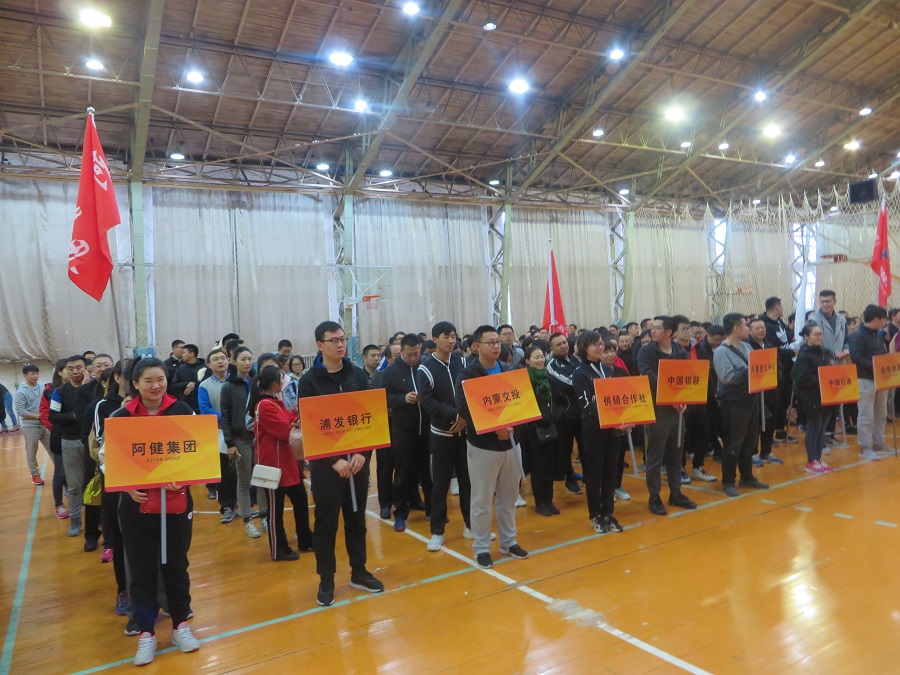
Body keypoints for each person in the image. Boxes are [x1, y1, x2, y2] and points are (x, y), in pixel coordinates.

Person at [109, 358, 199, 666]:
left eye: (160, 379)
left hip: (176, 504)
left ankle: (180, 625)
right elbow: (108, 460)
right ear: (135, 383)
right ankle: (147, 632)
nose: (156, 385)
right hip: (136, 508)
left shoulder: (182, 411)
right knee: (142, 571)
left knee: (176, 565)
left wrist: (183, 479)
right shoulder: (121, 416)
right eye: (148, 380)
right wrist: (126, 486)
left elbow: (197, 453)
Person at [297, 321, 383, 607]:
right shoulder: (310, 381)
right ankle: (326, 579)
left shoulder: (357, 375)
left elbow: (370, 418)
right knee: (326, 524)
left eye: (342, 339)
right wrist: (332, 460)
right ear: (319, 345)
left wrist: (363, 453)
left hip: (357, 463)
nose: (340, 344)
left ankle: (359, 571)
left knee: (357, 519)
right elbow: (310, 425)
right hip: (327, 468)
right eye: (333, 340)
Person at [456, 324, 530, 569]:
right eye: (491, 342)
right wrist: (494, 428)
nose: (496, 346)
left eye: (498, 342)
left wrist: (512, 426)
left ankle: (508, 541)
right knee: (482, 499)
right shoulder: (468, 374)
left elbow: (522, 402)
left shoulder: (509, 370)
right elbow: (465, 409)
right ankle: (481, 547)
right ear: (477, 346)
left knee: (509, 498)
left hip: (511, 442)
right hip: (483, 446)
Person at [417, 321, 476, 552]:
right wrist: (455, 415)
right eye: (446, 337)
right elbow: (428, 401)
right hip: (441, 434)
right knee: (440, 484)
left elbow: (471, 391)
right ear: (435, 339)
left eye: (453, 336)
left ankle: (470, 526)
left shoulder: (462, 362)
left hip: (464, 432)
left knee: (468, 481)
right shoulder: (425, 368)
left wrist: (465, 418)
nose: (451, 341)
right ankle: (437, 531)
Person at [251, 365, 312, 561]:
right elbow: (285, 430)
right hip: (272, 466)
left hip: (287, 462)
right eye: (282, 378)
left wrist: (296, 416)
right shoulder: (264, 405)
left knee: (300, 500)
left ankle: (305, 539)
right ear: (275, 384)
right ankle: (279, 549)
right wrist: (295, 423)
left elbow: (290, 420)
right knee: (275, 510)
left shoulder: (276, 403)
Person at [637, 316, 696, 515]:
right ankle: (654, 497)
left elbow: (686, 377)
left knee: (676, 455)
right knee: (655, 457)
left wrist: (684, 398)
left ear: (669, 332)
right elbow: (648, 376)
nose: (652, 331)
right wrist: (670, 397)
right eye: (652, 327)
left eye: (657, 328)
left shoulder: (680, 352)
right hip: (657, 409)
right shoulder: (647, 351)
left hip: (677, 410)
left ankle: (675, 493)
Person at [573, 334, 627, 533]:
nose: (600, 347)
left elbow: (616, 399)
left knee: (610, 472)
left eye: (601, 343)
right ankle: (595, 515)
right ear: (584, 348)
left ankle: (608, 513)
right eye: (595, 344)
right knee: (594, 474)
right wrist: (610, 421)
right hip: (594, 429)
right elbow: (586, 405)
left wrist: (622, 420)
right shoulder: (580, 373)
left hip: (613, 430)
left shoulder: (607, 370)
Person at [713, 313, 770, 497]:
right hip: (734, 403)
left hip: (751, 400)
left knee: (750, 442)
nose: (748, 328)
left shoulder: (747, 347)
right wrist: (749, 371)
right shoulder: (721, 352)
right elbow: (727, 377)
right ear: (736, 328)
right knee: (733, 443)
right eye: (746, 325)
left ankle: (747, 477)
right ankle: (728, 481)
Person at [383, 333, 432, 532]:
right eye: (409, 354)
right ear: (401, 351)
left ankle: (431, 509)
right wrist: (403, 399)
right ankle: (400, 514)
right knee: (402, 473)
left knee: (427, 473)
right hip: (403, 430)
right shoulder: (391, 372)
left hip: (426, 429)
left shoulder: (425, 367)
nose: (413, 358)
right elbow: (383, 398)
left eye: (416, 354)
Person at [221, 346, 263, 537]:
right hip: (240, 438)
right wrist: (229, 443)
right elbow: (225, 416)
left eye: (249, 359)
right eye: (243, 359)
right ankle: (248, 520)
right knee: (244, 479)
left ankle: (264, 516)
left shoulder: (258, 383)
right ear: (234, 361)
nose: (247, 363)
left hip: (259, 437)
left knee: (262, 478)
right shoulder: (228, 387)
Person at [520, 344, 565, 517]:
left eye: (542, 357)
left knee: (550, 466)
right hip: (532, 432)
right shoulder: (525, 382)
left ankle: (549, 500)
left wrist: (556, 416)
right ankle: (540, 503)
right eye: (536, 357)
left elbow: (562, 402)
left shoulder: (550, 379)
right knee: (538, 468)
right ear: (527, 360)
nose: (540, 360)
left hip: (551, 430)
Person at [49, 355, 88, 536]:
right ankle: (75, 521)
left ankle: (100, 522)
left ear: (86, 368)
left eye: (78, 367)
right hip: (70, 441)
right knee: (74, 485)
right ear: (65, 371)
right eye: (70, 369)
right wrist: (74, 415)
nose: (75, 372)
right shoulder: (60, 391)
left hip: (93, 441)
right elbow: (53, 416)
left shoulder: (95, 388)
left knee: (97, 484)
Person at [198, 349, 236, 525]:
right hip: (219, 433)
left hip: (239, 431)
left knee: (242, 470)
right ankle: (227, 506)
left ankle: (246, 505)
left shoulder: (238, 381)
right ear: (208, 365)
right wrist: (227, 418)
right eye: (215, 359)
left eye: (223, 358)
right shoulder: (204, 386)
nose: (220, 361)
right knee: (224, 472)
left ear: (228, 361)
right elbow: (205, 409)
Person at [848, 304, 889, 462]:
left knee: (881, 413)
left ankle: (879, 442)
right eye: (884, 320)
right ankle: (864, 447)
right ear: (877, 319)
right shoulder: (856, 336)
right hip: (864, 379)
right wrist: (876, 366)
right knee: (866, 414)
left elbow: (882, 353)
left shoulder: (877, 334)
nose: (885, 323)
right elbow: (856, 358)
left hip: (881, 379)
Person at [792, 325, 835, 474]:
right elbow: (802, 377)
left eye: (820, 334)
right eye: (816, 334)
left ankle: (818, 458)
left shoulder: (823, 351)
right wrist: (823, 379)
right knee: (814, 428)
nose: (819, 337)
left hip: (826, 395)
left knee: (822, 429)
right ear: (806, 336)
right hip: (812, 396)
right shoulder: (804, 355)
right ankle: (811, 461)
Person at [546, 332, 584, 495]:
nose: (563, 346)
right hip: (566, 415)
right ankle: (570, 479)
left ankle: (589, 478)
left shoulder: (577, 360)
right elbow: (568, 383)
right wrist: (582, 380)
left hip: (583, 412)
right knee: (566, 450)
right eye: (558, 344)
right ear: (551, 348)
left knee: (586, 448)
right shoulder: (551, 366)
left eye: (564, 342)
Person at [746, 317, 783, 466]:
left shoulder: (770, 345)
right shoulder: (747, 347)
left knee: (770, 423)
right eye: (757, 328)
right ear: (749, 331)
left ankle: (766, 452)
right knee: (755, 424)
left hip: (771, 390)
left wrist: (777, 378)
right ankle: (752, 453)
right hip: (755, 392)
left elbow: (777, 365)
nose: (761, 330)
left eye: (763, 327)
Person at [760, 297, 797, 445]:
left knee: (785, 399)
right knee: (773, 401)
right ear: (776, 307)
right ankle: (768, 435)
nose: (783, 308)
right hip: (773, 367)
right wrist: (791, 352)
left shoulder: (780, 323)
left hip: (787, 366)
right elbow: (771, 348)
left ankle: (781, 430)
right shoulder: (763, 324)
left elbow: (786, 341)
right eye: (781, 306)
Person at [14, 364, 50, 485]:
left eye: (37, 373)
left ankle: (61, 471)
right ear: (25, 375)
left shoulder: (43, 387)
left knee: (54, 448)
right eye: (32, 374)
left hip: (45, 424)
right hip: (30, 425)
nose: (36, 376)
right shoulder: (21, 392)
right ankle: (35, 475)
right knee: (31, 452)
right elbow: (20, 411)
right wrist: (37, 416)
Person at [41, 358, 69, 518]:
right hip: (59, 435)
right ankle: (58, 504)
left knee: (77, 471)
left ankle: (76, 497)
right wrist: (55, 429)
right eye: (69, 369)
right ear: (60, 371)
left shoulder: (81, 388)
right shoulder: (50, 390)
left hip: (76, 436)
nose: (74, 372)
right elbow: (45, 413)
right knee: (60, 471)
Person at [170, 345, 203, 412]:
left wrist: (195, 385)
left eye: (184, 353)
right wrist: (187, 384)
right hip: (185, 405)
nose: (182, 355)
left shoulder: (203, 368)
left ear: (191, 354)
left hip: (200, 404)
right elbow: (173, 386)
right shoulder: (181, 369)